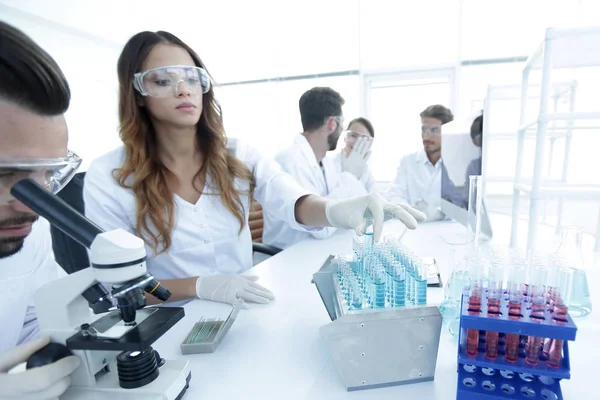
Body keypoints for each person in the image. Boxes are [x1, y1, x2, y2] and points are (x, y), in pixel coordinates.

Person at [84, 31, 425, 308]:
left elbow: (290, 199)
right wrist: (199, 286)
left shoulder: (236, 154)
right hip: (167, 322)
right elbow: (121, 290)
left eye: (192, 77)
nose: (183, 89)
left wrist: (338, 210)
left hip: (244, 307)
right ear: (138, 93)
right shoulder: (109, 177)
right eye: (163, 80)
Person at [0, 21, 81, 398]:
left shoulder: (20, 230)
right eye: (6, 173)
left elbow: (36, 320)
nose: (30, 203)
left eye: (47, 173)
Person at [262, 88, 374, 249]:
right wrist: (349, 176)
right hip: (288, 255)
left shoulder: (325, 163)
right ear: (331, 123)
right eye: (342, 123)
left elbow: (353, 209)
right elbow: (322, 228)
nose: (342, 129)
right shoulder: (291, 162)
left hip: (314, 248)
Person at [386, 104, 454, 221]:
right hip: (413, 228)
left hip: (445, 230)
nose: (426, 136)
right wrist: (411, 211)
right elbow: (394, 195)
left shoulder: (456, 165)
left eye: (434, 130)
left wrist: (438, 213)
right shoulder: (408, 161)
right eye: (424, 129)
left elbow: (462, 205)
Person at [332, 117, 377, 193]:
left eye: (364, 139)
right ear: (345, 137)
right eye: (353, 136)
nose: (357, 143)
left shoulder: (366, 172)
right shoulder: (331, 166)